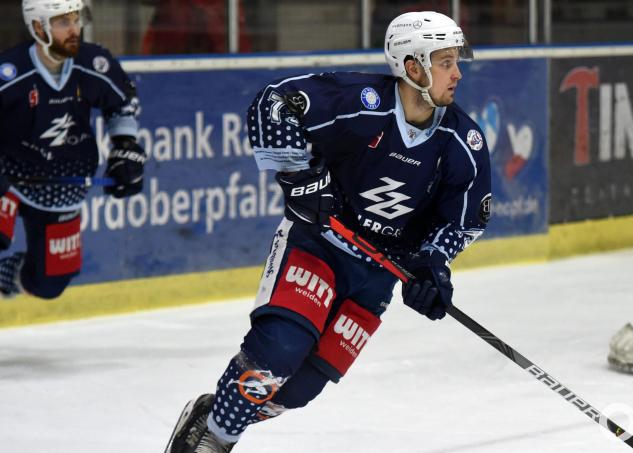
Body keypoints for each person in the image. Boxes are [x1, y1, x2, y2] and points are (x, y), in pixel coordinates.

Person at [164, 10, 492, 453]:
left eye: (457, 61)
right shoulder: (359, 100)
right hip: (319, 245)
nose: (457, 73)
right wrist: (299, 176)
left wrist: (433, 265)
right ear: (412, 68)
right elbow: (272, 103)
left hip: (378, 274)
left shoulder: (462, 142)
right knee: (278, 352)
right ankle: (214, 438)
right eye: (445, 61)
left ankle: (220, 408)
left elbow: (466, 219)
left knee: (300, 389)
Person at [0, 0, 145, 299]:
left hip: (61, 184)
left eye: (77, 20)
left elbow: (122, 107)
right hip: (8, 178)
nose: (75, 29)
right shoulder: (10, 73)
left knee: (49, 283)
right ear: (38, 27)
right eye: (63, 22)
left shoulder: (93, 63)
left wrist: (124, 148)